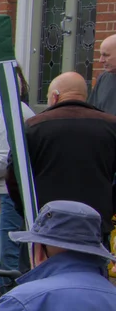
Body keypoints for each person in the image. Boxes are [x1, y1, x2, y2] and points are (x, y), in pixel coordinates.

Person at [13, 70, 116, 228]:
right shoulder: (111, 126)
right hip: (95, 220)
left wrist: (26, 209)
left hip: (47, 219)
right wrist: (109, 207)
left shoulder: (33, 127)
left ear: (55, 96)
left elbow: (14, 173)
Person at [0, 67, 34, 279]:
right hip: (8, 191)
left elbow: (5, 159)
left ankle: (12, 303)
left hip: (12, 191)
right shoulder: (11, 111)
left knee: (6, 257)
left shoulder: (11, 114)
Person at [90, 35, 116, 117]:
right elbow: (92, 112)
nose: (101, 60)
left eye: (106, 55)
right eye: (101, 55)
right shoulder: (103, 78)